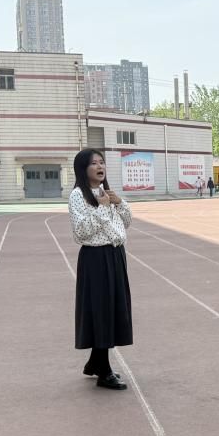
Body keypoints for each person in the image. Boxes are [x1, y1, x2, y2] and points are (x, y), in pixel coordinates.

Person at [69, 148, 132, 390]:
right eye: (93, 163)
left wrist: (119, 203)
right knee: (101, 311)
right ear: (83, 169)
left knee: (112, 310)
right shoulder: (78, 195)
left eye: (102, 162)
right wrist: (103, 208)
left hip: (115, 254)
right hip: (96, 258)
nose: (99, 166)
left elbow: (125, 223)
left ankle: (95, 362)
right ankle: (103, 370)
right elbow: (81, 232)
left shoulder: (105, 192)